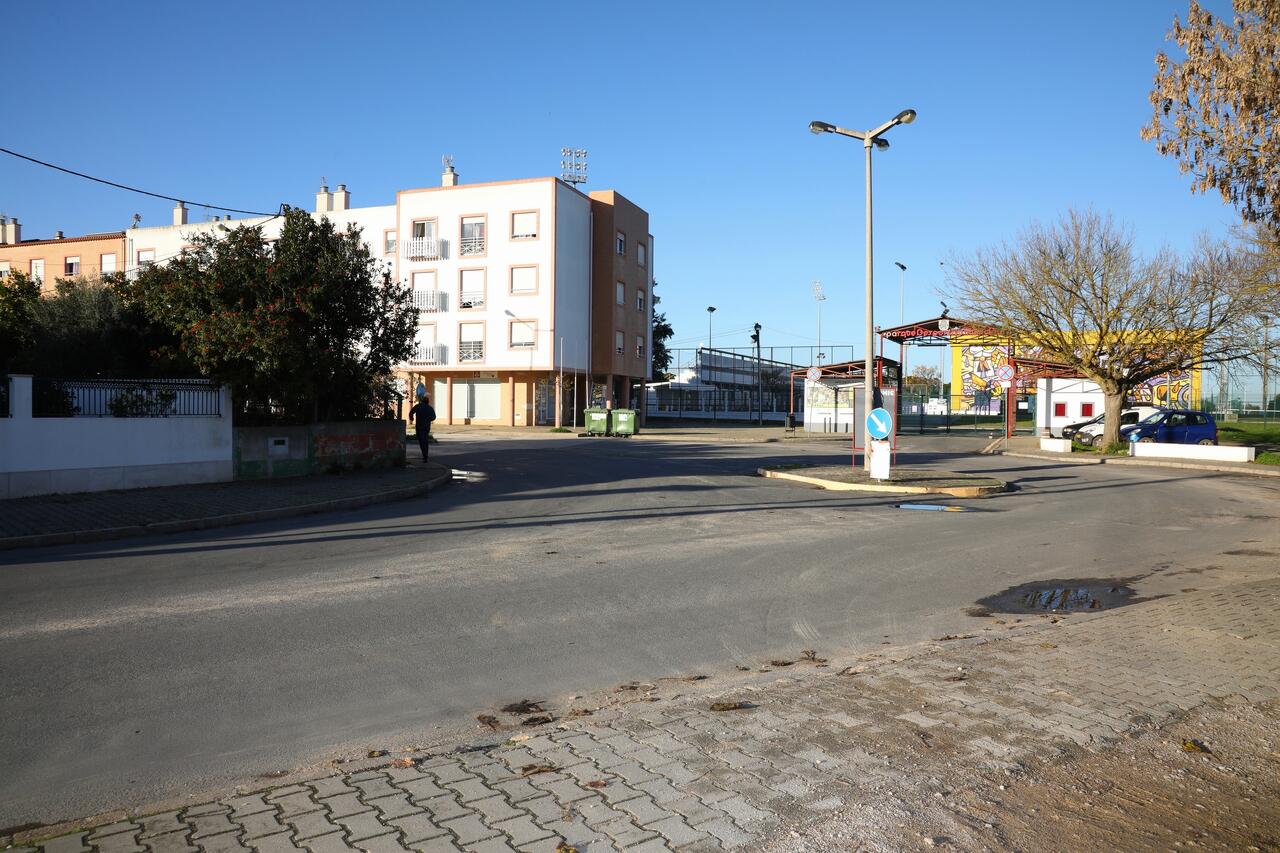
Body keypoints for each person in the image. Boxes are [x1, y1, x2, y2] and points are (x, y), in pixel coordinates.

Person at [408, 394, 436, 462]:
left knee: (421, 441)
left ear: (422, 401)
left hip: (419, 426)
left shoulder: (418, 406)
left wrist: (411, 418)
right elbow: (434, 417)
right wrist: (428, 419)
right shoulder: (430, 408)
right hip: (426, 427)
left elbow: (411, 412)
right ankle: (425, 456)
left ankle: (425, 456)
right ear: (427, 402)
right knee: (425, 441)